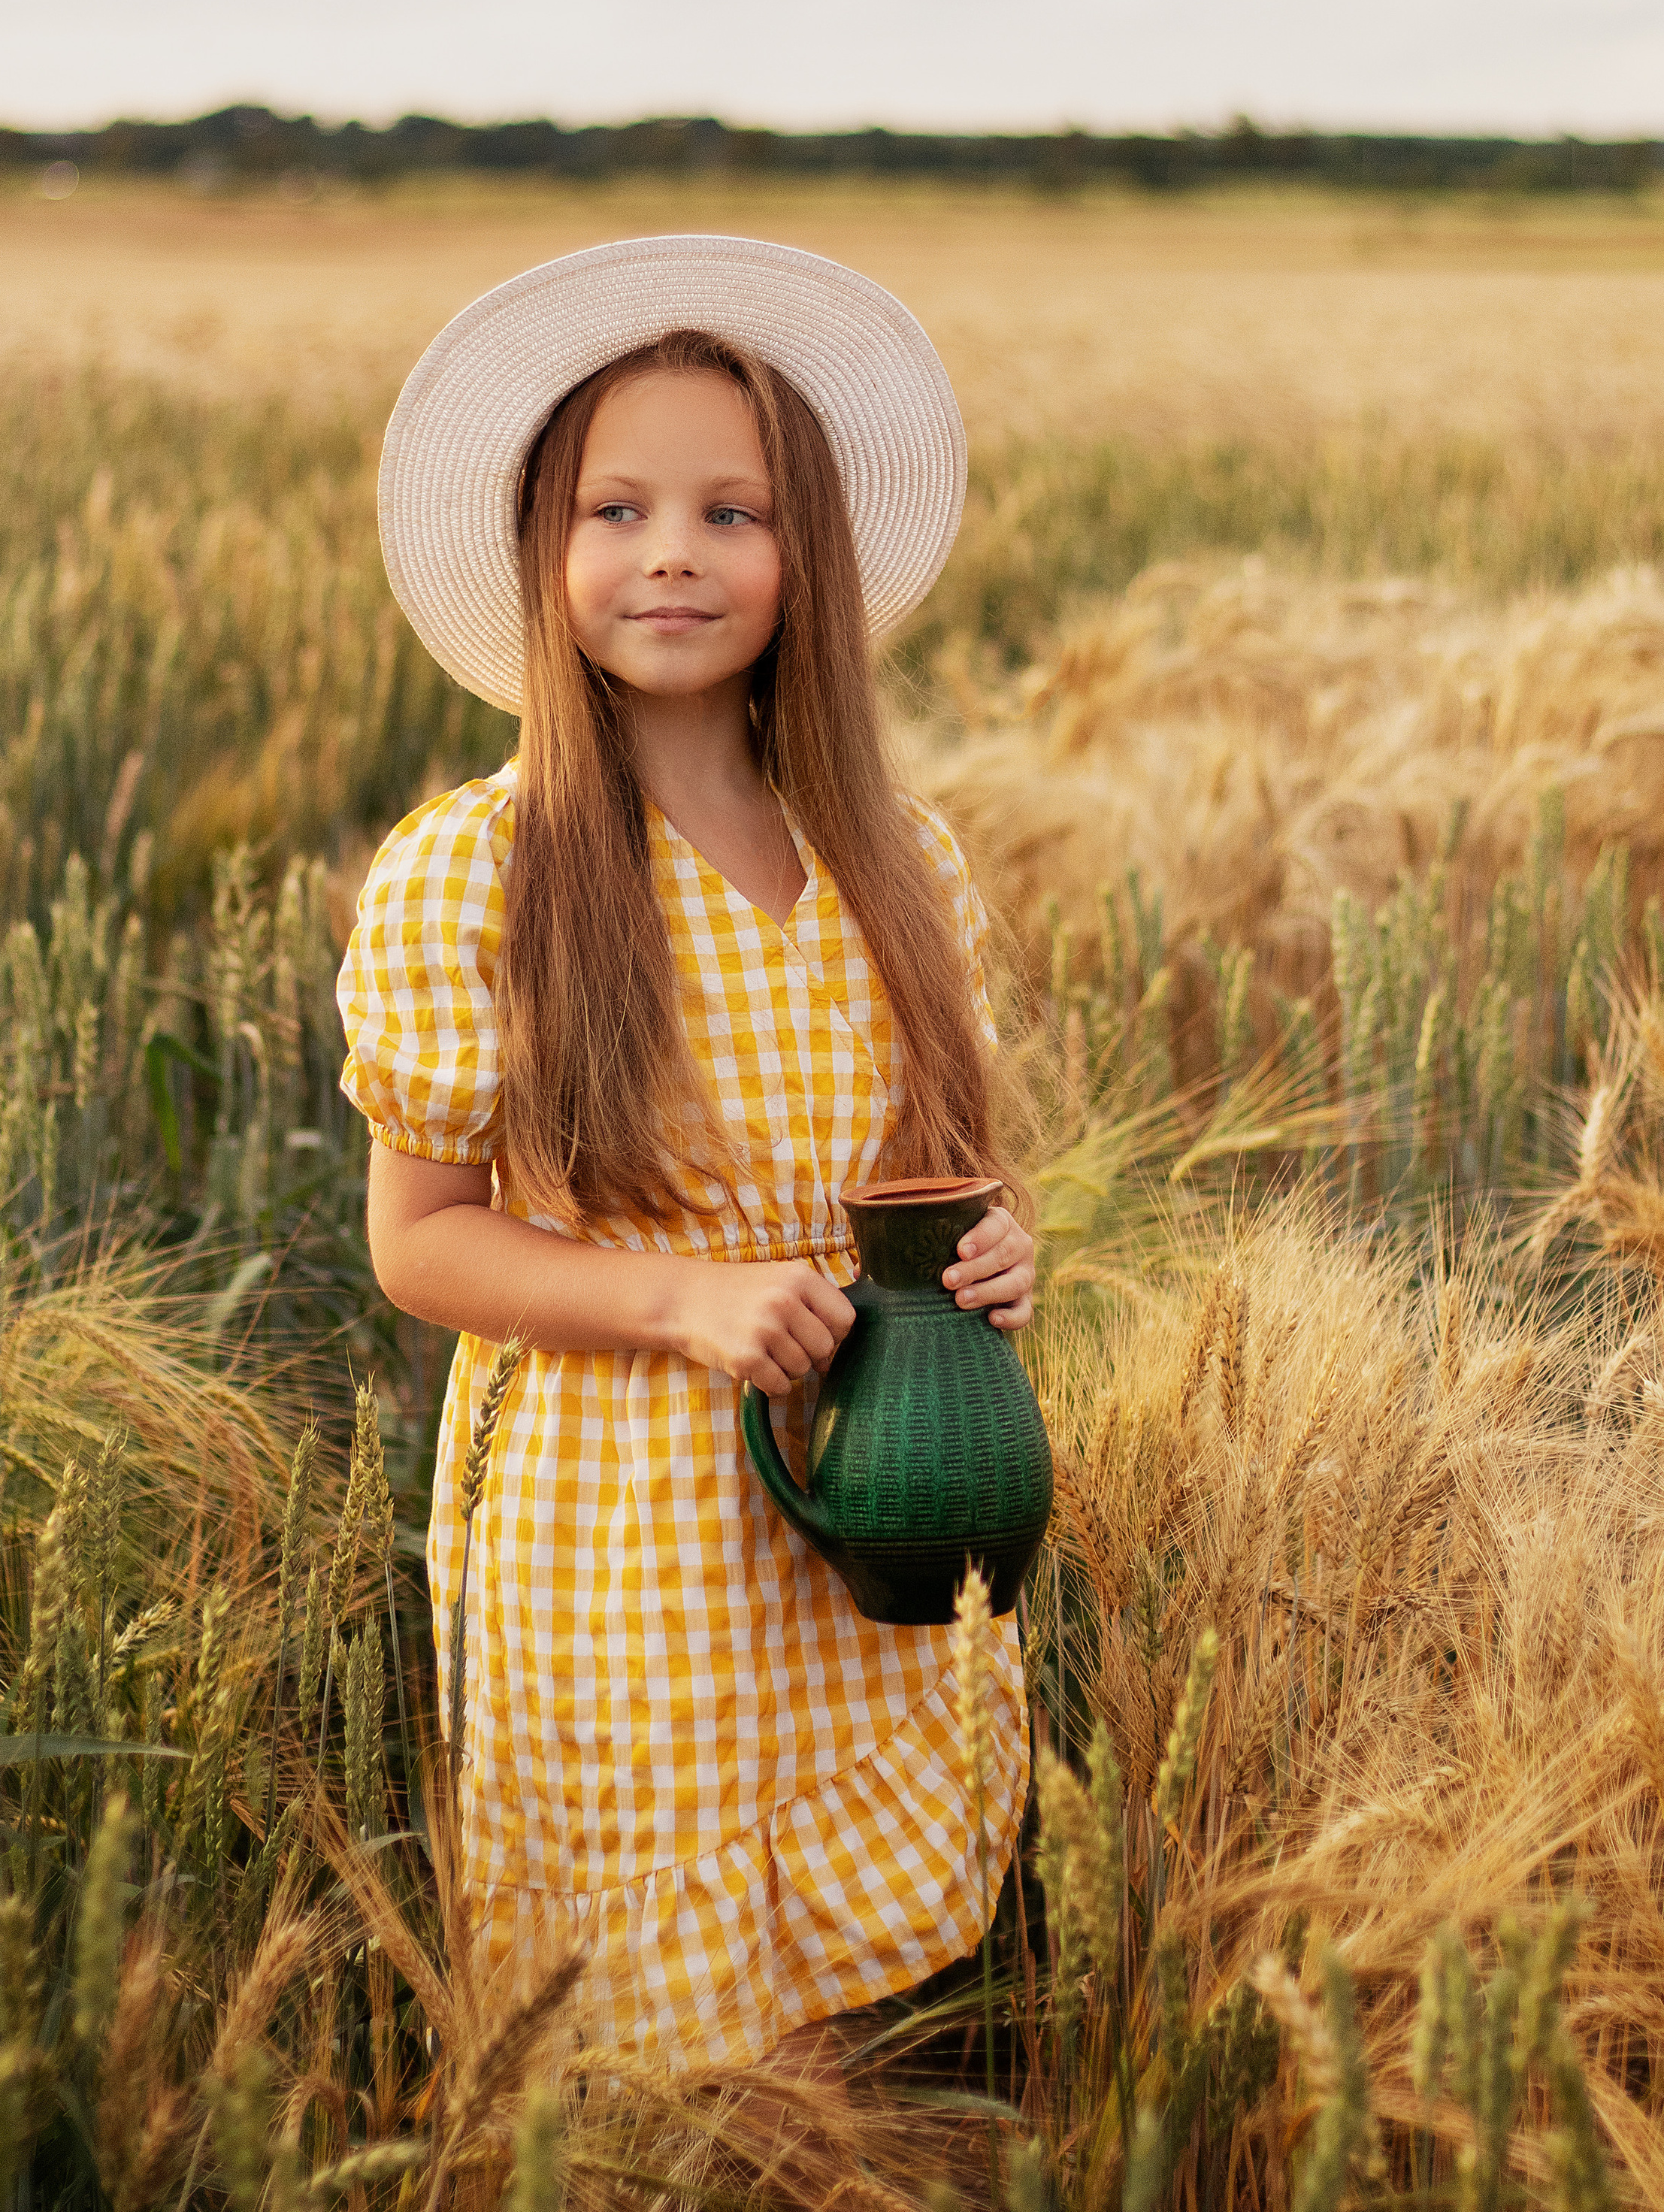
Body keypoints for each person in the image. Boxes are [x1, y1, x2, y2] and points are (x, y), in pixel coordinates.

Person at [337, 233, 1037, 2071]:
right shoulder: (481, 871)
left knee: (877, 2027)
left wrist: (996, 1253)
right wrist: (685, 1302)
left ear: (810, 556)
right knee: (669, 2065)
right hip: (622, 1530)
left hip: (876, 1501)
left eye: (733, 512)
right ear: (541, 550)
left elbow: (945, 1172)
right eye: (616, 509)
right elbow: (418, 1244)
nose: (672, 552)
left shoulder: (897, 861)